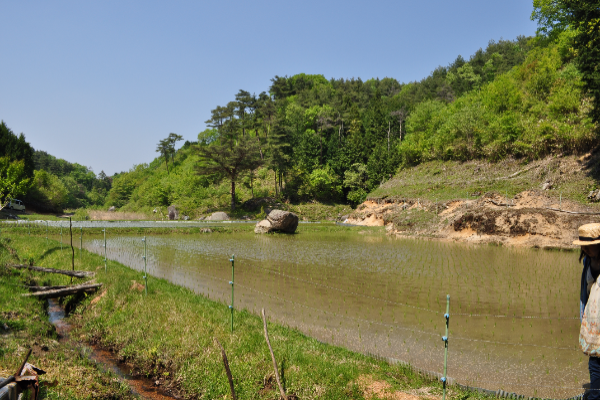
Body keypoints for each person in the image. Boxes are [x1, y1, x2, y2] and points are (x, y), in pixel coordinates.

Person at [575, 223, 600, 399]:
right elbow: (587, 289)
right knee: (595, 364)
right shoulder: (587, 261)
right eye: (583, 245)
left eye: (590, 245)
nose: (585, 248)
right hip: (595, 322)